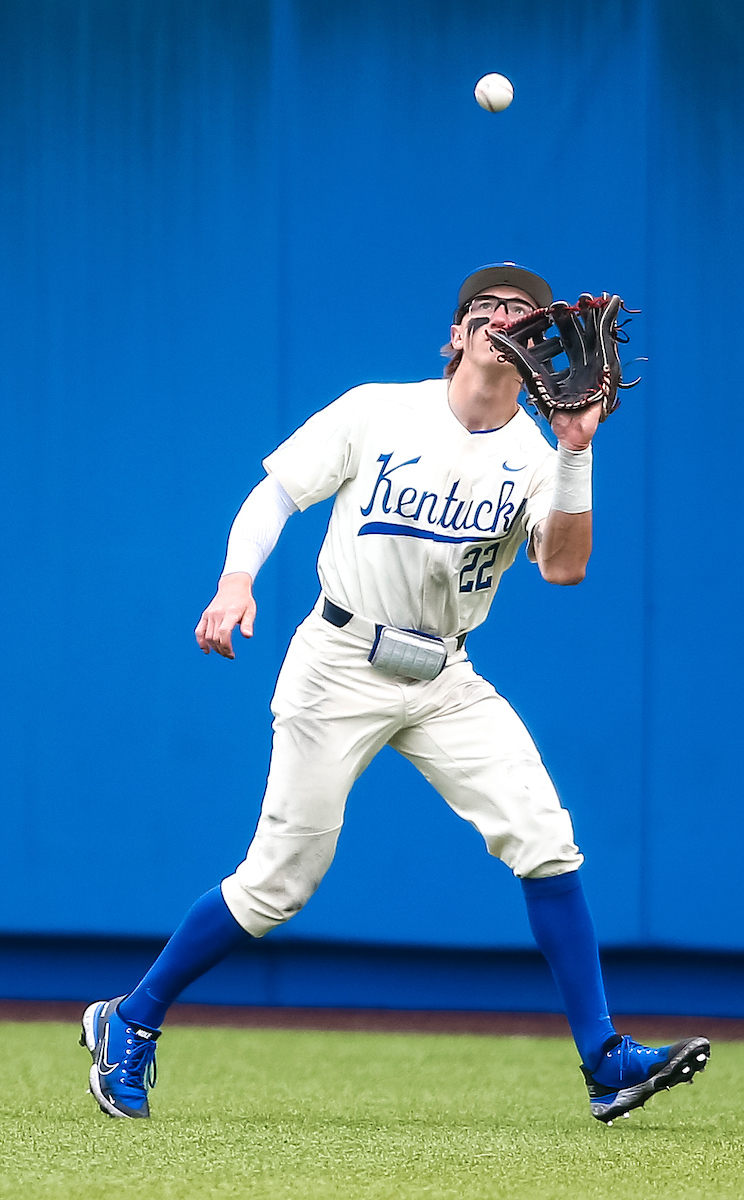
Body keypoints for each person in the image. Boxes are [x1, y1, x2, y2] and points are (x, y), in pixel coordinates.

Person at [80, 262, 709, 1125]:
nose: (502, 319)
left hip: (446, 676)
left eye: (523, 315)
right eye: (484, 309)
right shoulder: (378, 408)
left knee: (545, 839)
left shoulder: (537, 452)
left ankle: (604, 1060)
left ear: (538, 349)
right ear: (455, 336)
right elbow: (276, 494)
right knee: (278, 885)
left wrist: (575, 451)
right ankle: (129, 1019)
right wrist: (235, 583)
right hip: (339, 661)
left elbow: (564, 568)